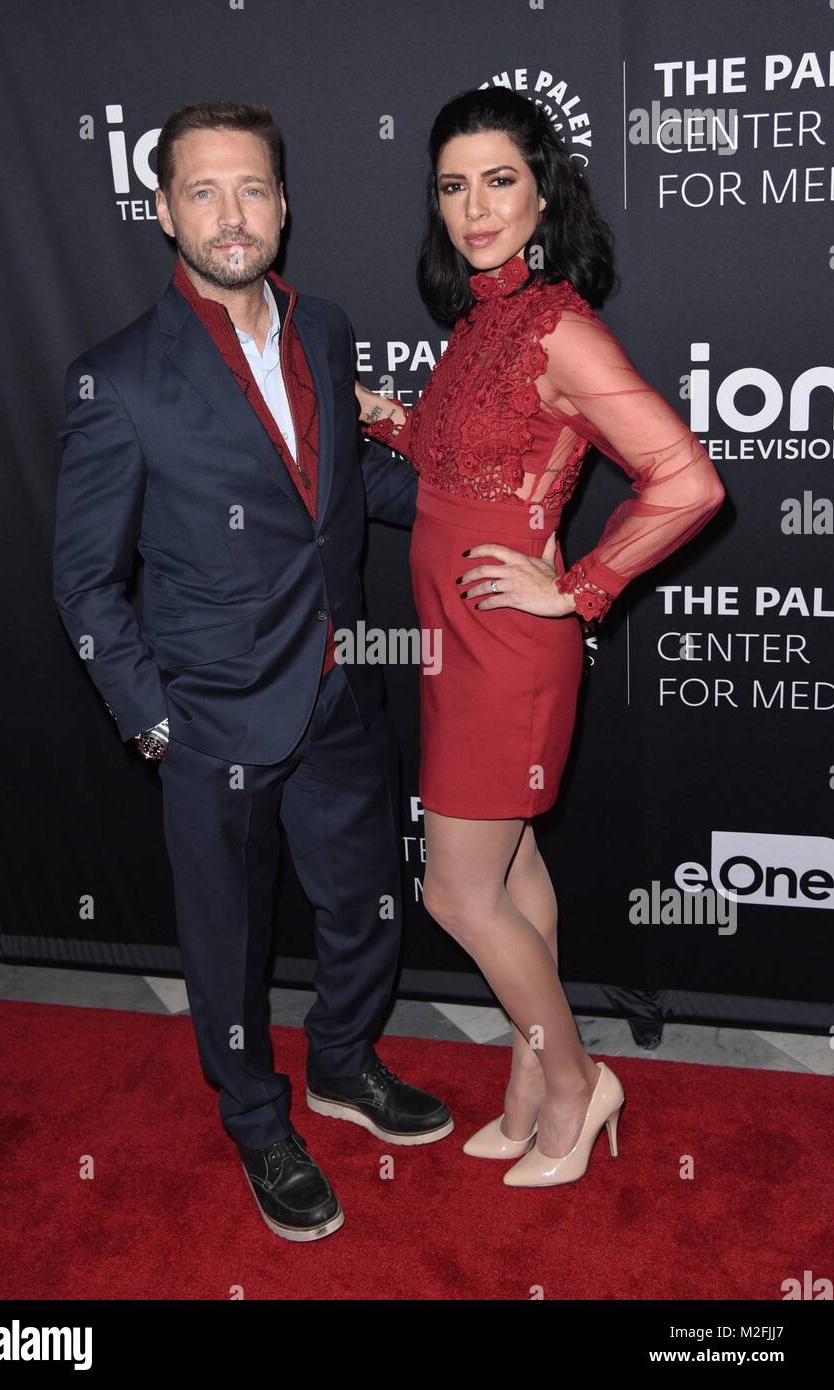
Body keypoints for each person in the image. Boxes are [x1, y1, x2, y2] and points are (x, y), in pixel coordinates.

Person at [52, 100, 452, 1244]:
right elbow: (84, 583)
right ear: (165, 209)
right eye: (204, 192)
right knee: (225, 947)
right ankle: (257, 1120)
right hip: (211, 718)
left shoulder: (321, 328)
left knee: (362, 901)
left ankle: (340, 1063)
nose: (232, 216)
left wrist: (483, 509)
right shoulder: (118, 380)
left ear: (284, 202)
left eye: (254, 189)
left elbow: (340, 494)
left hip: (338, 690)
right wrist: (156, 726)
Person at [357, 87, 725, 1188]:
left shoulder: (559, 324)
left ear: (544, 189)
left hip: (507, 649)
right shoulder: (481, 319)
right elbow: (459, 455)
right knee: (512, 873)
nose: (474, 208)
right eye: (452, 186)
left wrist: (583, 583)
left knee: (453, 892)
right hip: (452, 635)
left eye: (498, 181)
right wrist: (386, 414)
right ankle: (527, 1086)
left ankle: (574, 1082)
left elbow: (686, 479)